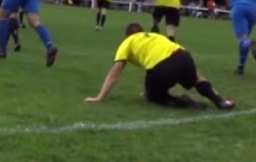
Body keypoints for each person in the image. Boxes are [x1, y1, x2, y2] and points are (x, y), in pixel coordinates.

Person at [85, 23, 236, 110]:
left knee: (153, 97)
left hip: (163, 67)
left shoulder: (128, 42)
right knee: (196, 78)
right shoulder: (155, 35)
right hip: (184, 56)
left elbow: (115, 72)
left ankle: (183, 102)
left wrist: (100, 97)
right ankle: (220, 101)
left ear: (127, 35)